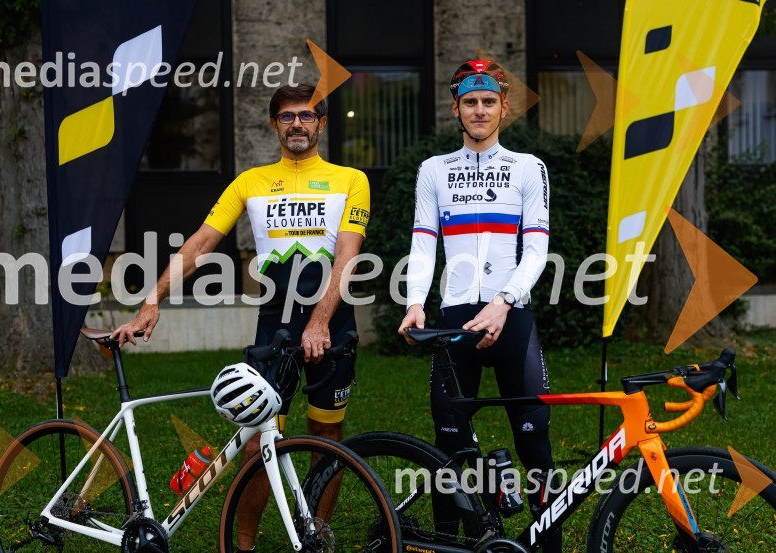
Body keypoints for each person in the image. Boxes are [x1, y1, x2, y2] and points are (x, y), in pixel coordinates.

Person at [112, 83, 370, 551]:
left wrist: (319, 321)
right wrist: (153, 300)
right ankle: (243, 545)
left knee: (327, 435)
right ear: (274, 124)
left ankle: (317, 536)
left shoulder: (351, 179)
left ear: (321, 123)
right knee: (257, 442)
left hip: (331, 323)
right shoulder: (250, 181)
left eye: (306, 115)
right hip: (274, 328)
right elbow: (201, 243)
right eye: (287, 116)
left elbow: (347, 257)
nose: (297, 124)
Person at [398, 60, 561, 552]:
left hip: (512, 320)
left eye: (489, 101)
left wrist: (503, 302)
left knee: (534, 443)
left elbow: (537, 249)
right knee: (447, 449)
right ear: (456, 109)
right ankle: (446, 545)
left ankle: (548, 546)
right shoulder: (434, 170)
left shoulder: (528, 167)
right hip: (454, 321)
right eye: (470, 102)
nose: (480, 110)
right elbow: (423, 243)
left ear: (504, 107)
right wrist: (414, 302)